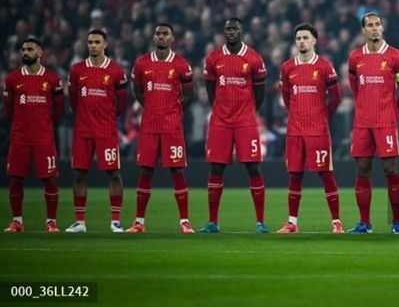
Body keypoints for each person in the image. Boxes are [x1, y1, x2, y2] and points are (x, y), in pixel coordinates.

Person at [198, 18, 268, 233]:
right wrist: (221, 109)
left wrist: (246, 111)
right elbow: (210, 90)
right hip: (220, 122)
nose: (231, 32)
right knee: (216, 168)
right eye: (228, 29)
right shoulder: (214, 57)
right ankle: (212, 222)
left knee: (253, 167)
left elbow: (260, 94)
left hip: (246, 121)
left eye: (235, 29)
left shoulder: (254, 58)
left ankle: (260, 222)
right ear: (224, 32)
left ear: (241, 31)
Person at [126, 23, 194, 233]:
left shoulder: (182, 65)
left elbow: (188, 96)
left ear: (172, 39)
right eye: (158, 34)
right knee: (146, 170)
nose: (161, 37)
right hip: (149, 127)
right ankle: (139, 222)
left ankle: (184, 221)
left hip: (171, 127)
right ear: (153, 37)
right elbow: (138, 92)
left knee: (177, 170)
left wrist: (172, 111)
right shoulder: (141, 64)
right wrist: (154, 108)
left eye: (165, 34)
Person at [276, 23, 343, 234]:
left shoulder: (324, 67)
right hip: (295, 130)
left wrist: (322, 116)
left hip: (318, 130)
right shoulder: (287, 67)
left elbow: (336, 98)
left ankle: (336, 223)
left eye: (306, 38)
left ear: (314, 41)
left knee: (326, 174)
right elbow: (287, 97)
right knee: (295, 176)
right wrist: (296, 114)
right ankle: (292, 223)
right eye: (298, 38)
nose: (302, 42)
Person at [347, 12, 399, 234]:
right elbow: (355, 87)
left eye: (378, 24)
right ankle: (365, 222)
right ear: (363, 31)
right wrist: (364, 106)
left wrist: (394, 113)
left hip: (386, 121)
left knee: (390, 168)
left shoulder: (396, 56)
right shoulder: (355, 57)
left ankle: (397, 222)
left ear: (383, 28)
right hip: (363, 122)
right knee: (362, 169)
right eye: (370, 25)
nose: (374, 28)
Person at [65, 29, 128, 233]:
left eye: (97, 42)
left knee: (113, 174)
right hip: (83, 131)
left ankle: (116, 221)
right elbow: (74, 101)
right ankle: (80, 221)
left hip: (106, 130)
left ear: (105, 44)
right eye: (90, 41)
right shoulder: (76, 70)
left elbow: (122, 104)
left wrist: (107, 118)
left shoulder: (117, 71)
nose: (92, 45)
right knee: (80, 174)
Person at [3, 37, 65, 232]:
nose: (25, 53)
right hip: (20, 138)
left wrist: (43, 124)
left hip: (43, 137)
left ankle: (51, 222)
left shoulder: (53, 79)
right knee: (15, 179)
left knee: (50, 179)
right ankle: (17, 221)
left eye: (29, 49)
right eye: (23, 49)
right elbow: (8, 110)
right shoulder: (12, 79)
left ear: (40, 53)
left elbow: (59, 110)